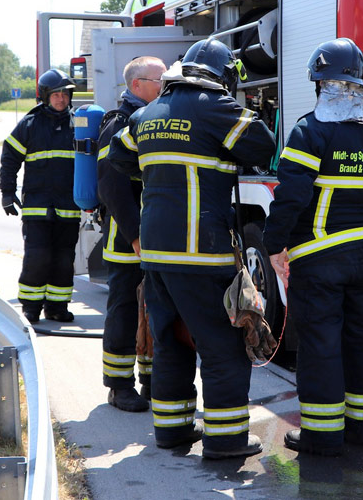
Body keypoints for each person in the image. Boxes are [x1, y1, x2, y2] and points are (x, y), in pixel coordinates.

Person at [107, 39, 275, 459]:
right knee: (222, 348)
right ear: (222, 75)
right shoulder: (214, 106)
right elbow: (262, 143)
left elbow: (118, 156)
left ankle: (172, 431)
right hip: (203, 254)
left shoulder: (146, 114)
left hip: (156, 257)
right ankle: (226, 440)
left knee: (170, 343)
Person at [262, 38, 363, 457]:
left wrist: (274, 245)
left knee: (321, 345)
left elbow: (291, 196)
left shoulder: (310, 130)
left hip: (319, 256)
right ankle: (360, 430)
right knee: (360, 340)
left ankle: (322, 436)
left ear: (319, 83)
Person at [97, 55, 167, 412]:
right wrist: (135, 235)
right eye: (160, 79)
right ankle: (119, 386)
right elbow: (111, 188)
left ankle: (152, 382)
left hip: (157, 237)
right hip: (127, 239)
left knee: (155, 312)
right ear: (137, 85)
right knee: (124, 311)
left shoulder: (157, 120)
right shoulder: (119, 124)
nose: (165, 84)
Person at [0, 69, 82, 324]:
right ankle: (31, 307)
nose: (61, 99)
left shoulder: (78, 124)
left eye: (65, 94)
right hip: (37, 207)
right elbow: (10, 157)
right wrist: (7, 192)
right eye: (56, 94)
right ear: (45, 96)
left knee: (64, 260)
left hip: (69, 207)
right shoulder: (30, 124)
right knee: (37, 258)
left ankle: (57, 307)